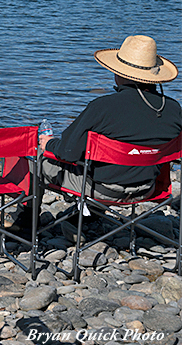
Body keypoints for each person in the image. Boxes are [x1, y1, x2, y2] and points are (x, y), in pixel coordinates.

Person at [12, 35, 181, 233]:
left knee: (35, 159)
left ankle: (25, 223)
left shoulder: (102, 107)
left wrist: (48, 143)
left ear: (120, 73)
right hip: (147, 188)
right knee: (102, 159)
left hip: (102, 189)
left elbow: (67, 152)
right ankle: (85, 216)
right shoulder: (173, 109)